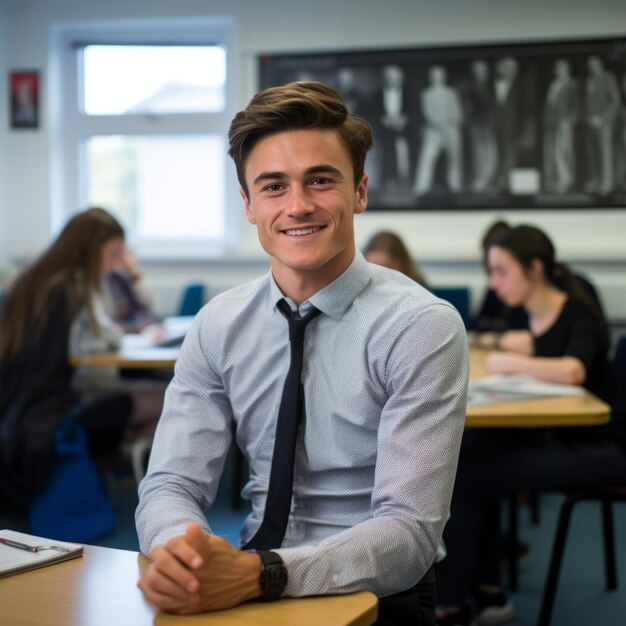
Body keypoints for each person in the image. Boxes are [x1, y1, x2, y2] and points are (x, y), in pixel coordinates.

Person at [135, 81, 469, 625]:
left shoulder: (421, 325)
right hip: (243, 582)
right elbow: (171, 483)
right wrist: (182, 551)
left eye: (320, 180)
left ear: (359, 191)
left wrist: (264, 574)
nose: (298, 205)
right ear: (247, 203)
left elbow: (409, 531)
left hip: (375, 594)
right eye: (273, 186)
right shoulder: (218, 325)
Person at [436, 225, 626, 626]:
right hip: (560, 441)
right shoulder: (537, 318)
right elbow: (525, 341)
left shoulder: (577, 311)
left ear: (534, 269)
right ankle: (486, 590)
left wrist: (510, 362)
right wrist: (510, 347)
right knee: (473, 453)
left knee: (468, 475)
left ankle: (455, 602)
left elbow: (573, 370)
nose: (494, 283)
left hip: (602, 452)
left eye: (502, 272)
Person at [0, 207, 133, 511]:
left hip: (17, 412)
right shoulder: (68, 290)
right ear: (89, 251)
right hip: (45, 415)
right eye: (112, 255)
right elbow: (89, 359)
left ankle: (116, 466)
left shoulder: (30, 282)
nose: (115, 266)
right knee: (145, 400)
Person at [414, 65, 463, 197]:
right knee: (426, 160)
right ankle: (421, 187)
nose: (436, 78)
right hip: (433, 131)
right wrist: (438, 125)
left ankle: (456, 186)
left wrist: (449, 125)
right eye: (434, 75)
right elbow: (427, 112)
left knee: (454, 161)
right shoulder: (426, 93)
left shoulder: (450, 92)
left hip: (451, 129)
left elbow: (457, 112)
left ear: (443, 76)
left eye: (439, 75)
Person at [583, 55, 621, 196]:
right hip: (591, 122)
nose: (592, 66)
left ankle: (607, 183)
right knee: (593, 155)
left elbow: (616, 101)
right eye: (590, 64)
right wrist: (589, 118)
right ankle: (595, 182)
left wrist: (604, 118)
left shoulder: (608, 77)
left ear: (600, 64)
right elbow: (588, 102)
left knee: (605, 154)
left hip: (604, 123)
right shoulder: (589, 80)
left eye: (594, 63)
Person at [542, 59, 580, 194]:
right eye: (557, 67)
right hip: (551, 123)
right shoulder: (553, 84)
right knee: (551, 152)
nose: (558, 70)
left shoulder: (571, 83)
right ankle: (553, 180)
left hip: (563, 123)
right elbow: (549, 104)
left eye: (561, 67)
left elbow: (576, 105)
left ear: (566, 69)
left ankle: (566, 181)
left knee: (564, 152)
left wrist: (569, 120)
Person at [105, 247, 161, 334]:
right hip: (122, 328)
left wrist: (133, 271)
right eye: (115, 254)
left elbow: (148, 305)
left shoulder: (125, 276)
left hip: (137, 325)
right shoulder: (107, 279)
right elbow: (111, 320)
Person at [363, 230, 429, 287]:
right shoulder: (359, 291)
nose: (378, 276)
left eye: (385, 269)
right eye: (372, 269)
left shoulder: (421, 293)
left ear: (402, 266)